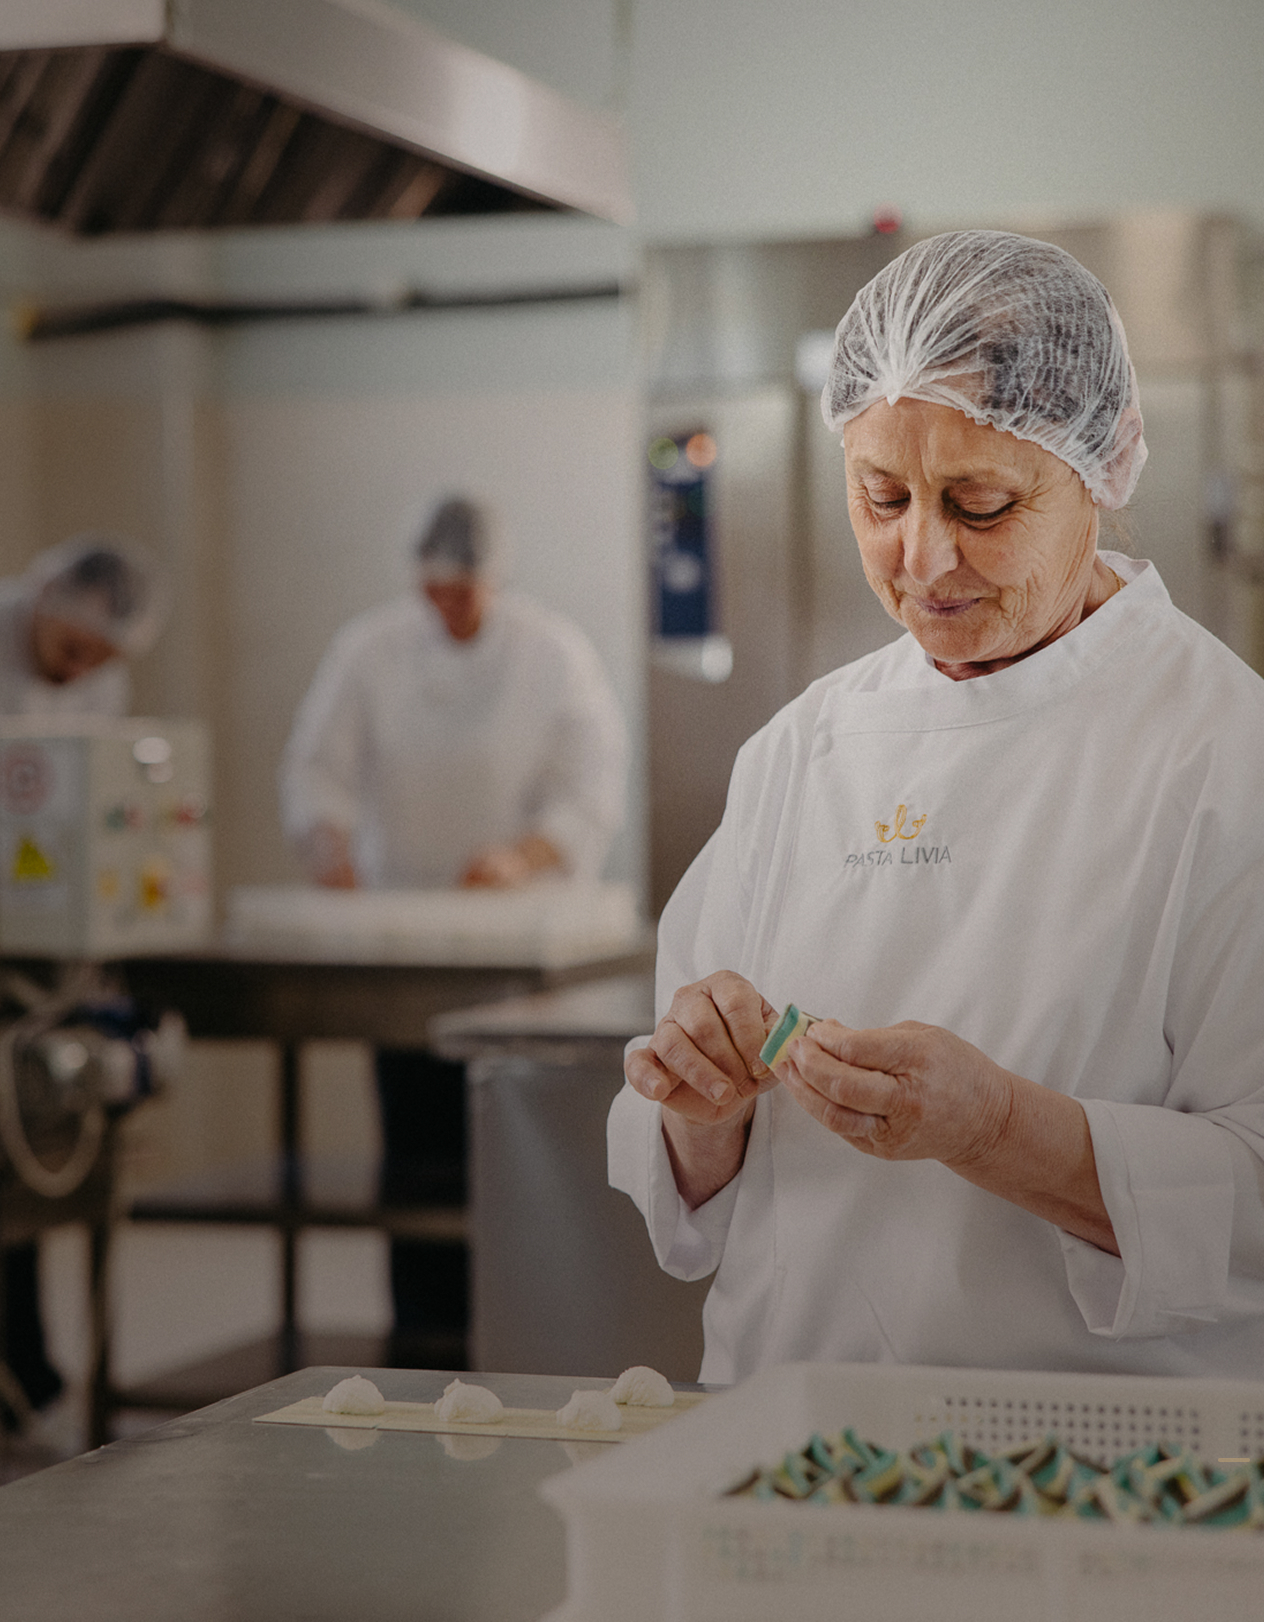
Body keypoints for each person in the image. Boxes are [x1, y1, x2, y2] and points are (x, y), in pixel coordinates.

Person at [609, 229, 1264, 1387]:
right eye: (880, 495)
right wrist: (700, 1104)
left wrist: (994, 1126)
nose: (921, 557)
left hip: (1092, 1486)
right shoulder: (805, 749)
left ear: (1099, 470)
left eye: (979, 502)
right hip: (783, 1454)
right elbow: (690, 1174)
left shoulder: (1221, 753)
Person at [281, 497, 627, 1360]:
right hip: (399, 945)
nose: (451, 609)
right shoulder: (369, 651)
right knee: (413, 1149)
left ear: (495, 579)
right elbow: (317, 766)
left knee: (504, 1157)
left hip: (507, 947)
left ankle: (514, 1342)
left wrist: (527, 855)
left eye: (465, 592)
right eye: (435, 592)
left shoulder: (551, 655)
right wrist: (328, 842)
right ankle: (422, 1346)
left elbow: (592, 786)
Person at [0, 534, 167, 1420]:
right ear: (42, 606)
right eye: (72, 649)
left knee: (26, 1144)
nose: (82, 670)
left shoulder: (100, 682)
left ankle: (27, 1365)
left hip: (38, 943)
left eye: (101, 658)